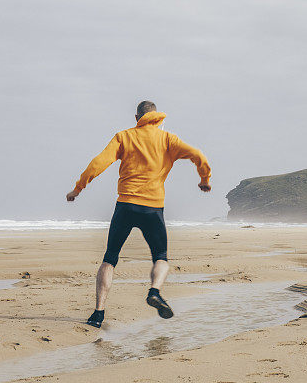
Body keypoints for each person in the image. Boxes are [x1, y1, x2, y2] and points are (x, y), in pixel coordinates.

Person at [66, 100, 211, 328]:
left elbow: (98, 163)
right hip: (153, 209)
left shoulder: (124, 137)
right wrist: (204, 179)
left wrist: (77, 189)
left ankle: (98, 314)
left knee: (110, 259)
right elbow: (197, 154)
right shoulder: (167, 140)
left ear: (137, 117)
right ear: (158, 117)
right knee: (161, 257)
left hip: (125, 206)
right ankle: (155, 291)